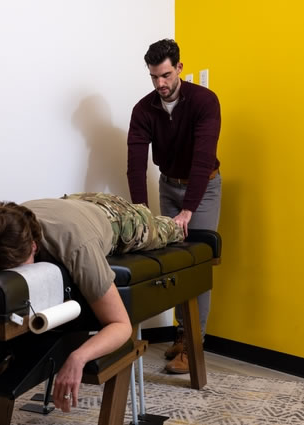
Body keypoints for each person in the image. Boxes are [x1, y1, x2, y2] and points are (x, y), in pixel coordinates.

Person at [0, 192, 184, 412]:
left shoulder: (77, 248)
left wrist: (78, 357)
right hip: (71, 203)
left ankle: (178, 222)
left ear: (34, 247)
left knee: (169, 229)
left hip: (115, 216)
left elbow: (120, 325)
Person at [127, 39, 222, 374]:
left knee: (197, 262)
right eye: (154, 77)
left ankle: (193, 344)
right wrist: (141, 214)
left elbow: (202, 159)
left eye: (166, 75)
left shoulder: (204, 102)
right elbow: (136, 165)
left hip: (204, 186)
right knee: (173, 262)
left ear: (179, 67)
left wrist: (188, 210)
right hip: (168, 185)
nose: (160, 84)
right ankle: (181, 335)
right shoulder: (143, 110)